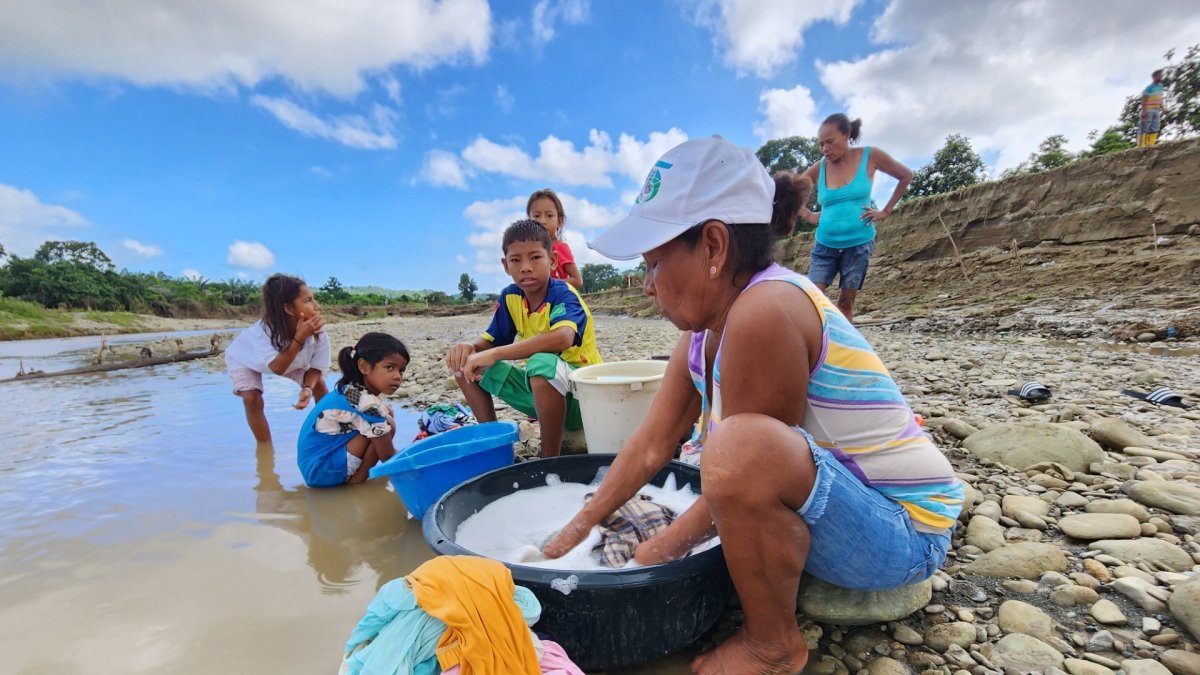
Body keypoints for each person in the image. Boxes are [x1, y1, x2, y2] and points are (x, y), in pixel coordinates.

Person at [542, 137, 963, 675]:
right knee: (715, 456)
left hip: (906, 534)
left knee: (733, 447)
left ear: (714, 247)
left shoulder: (767, 309)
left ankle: (772, 645)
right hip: (844, 503)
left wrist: (645, 562)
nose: (647, 286)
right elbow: (649, 444)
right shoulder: (703, 330)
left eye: (653, 264)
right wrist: (576, 530)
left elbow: (747, 467)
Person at [445, 219, 602, 458]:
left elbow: (563, 338)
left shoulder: (563, 294)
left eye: (535, 257)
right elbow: (489, 341)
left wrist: (497, 353)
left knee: (540, 363)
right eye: (516, 260)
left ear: (553, 261)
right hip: (543, 396)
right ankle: (494, 445)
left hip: (584, 399)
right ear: (505, 265)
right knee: (465, 363)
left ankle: (549, 457)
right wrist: (469, 347)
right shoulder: (511, 297)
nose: (525, 267)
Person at [799, 114, 912, 323]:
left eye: (830, 142)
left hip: (858, 244)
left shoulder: (871, 156)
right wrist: (807, 214)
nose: (824, 149)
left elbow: (906, 175)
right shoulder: (821, 166)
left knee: (846, 302)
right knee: (813, 298)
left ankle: (844, 351)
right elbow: (793, 188)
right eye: (821, 144)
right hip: (825, 244)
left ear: (847, 134)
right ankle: (817, 347)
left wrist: (886, 211)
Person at [225, 273, 329, 442]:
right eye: (308, 300)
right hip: (247, 359)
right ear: (288, 309)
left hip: (289, 360)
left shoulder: (317, 331)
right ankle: (265, 449)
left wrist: (308, 388)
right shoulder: (263, 333)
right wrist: (299, 337)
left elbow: (317, 368)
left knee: (320, 387)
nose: (317, 306)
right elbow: (278, 368)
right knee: (252, 398)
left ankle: (329, 433)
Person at [296, 332, 409, 487]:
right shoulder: (367, 404)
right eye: (389, 367)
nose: (398, 376)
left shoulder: (350, 388)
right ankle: (357, 481)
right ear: (363, 366)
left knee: (386, 415)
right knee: (386, 427)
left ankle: (356, 475)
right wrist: (417, 465)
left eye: (401, 370)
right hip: (322, 472)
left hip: (314, 466)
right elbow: (388, 455)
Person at [527, 188, 584, 289]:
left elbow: (577, 281)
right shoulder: (528, 250)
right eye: (536, 216)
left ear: (560, 221)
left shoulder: (559, 247)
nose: (542, 221)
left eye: (549, 215)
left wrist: (547, 284)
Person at [1139, 69, 1165, 147]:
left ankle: (1151, 144)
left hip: (1156, 110)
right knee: (1145, 127)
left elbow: (1160, 98)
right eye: (1159, 76)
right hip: (1148, 109)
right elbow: (1143, 99)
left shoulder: (1161, 86)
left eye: (1161, 75)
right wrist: (1144, 111)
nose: (1161, 77)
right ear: (1154, 77)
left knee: (1155, 127)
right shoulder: (1149, 88)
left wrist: (1163, 108)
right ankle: (1142, 145)